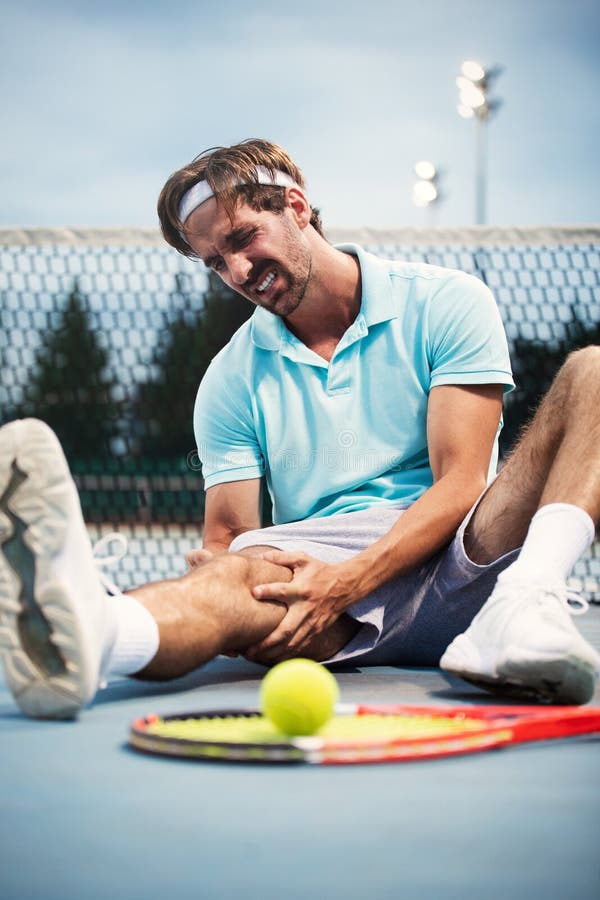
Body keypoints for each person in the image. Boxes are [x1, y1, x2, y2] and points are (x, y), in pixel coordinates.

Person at [0, 139, 598, 721]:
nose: (236, 270)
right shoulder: (229, 380)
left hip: (468, 549)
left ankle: (526, 600)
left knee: (592, 371)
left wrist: (347, 580)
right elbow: (230, 531)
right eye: (215, 262)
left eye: (242, 238)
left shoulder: (447, 302)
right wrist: (219, 570)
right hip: (322, 582)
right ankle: (85, 634)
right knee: (237, 574)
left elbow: (462, 481)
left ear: (296, 207)